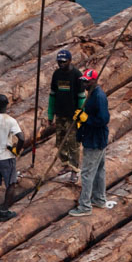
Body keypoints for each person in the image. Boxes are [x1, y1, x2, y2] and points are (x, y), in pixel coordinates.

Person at [67, 68, 112, 216]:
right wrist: (81, 117)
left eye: (87, 81)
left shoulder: (99, 96)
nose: (84, 84)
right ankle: (99, 199)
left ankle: (85, 206)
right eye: (84, 81)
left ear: (94, 80)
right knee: (99, 170)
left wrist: (87, 119)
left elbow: (104, 119)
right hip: (93, 137)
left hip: (95, 140)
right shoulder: (91, 94)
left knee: (87, 173)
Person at [47, 48, 85, 184]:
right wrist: (50, 114)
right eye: (59, 62)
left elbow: (81, 97)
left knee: (73, 143)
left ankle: (74, 169)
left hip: (72, 115)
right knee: (60, 141)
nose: (61, 64)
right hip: (60, 113)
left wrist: (80, 113)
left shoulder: (76, 75)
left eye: (63, 61)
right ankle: (65, 164)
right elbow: (52, 95)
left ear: (69, 61)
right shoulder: (56, 74)